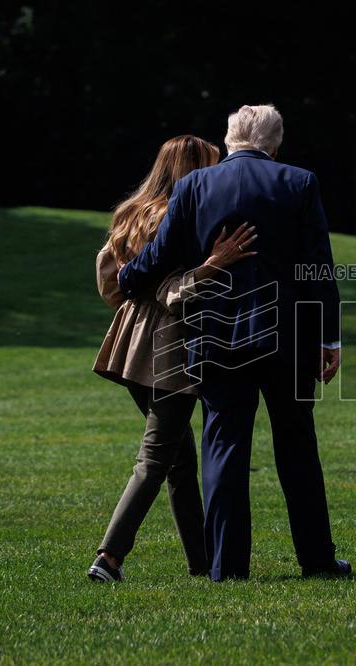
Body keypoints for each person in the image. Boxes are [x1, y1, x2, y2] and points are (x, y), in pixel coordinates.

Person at [118, 105, 351, 581]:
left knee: (223, 447)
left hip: (215, 338)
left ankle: (227, 567)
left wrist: (127, 276)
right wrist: (328, 336)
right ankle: (317, 560)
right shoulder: (300, 183)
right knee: (298, 449)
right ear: (275, 144)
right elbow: (318, 270)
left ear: (228, 141)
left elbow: (159, 259)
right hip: (289, 340)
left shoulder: (191, 188)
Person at [86, 135, 257, 582]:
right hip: (170, 347)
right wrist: (215, 263)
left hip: (130, 348)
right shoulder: (180, 216)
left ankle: (201, 563)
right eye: (210, 168)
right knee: (157, 457)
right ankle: (110, 557)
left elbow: (111, 285)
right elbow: (174, 293)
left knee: (180, 461)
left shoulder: (130, 214)